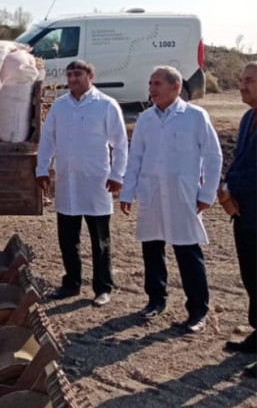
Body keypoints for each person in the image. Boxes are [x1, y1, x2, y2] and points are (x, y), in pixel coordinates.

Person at [120, 66, 223, 334]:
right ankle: (155, 299)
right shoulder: (145, 119)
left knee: (188, 253)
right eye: (150, 83)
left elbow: (213, 157)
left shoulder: (195, 116)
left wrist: (206, 194)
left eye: (157, 83)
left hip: (183, 196)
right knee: (152, 250)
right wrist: (127, 191)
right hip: (152, 194)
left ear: (175, 87)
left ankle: (197, 310)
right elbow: (136, 158)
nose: (152, 88)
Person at [36, 60, 128, 307]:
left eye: (78, 74)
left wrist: (117, 175)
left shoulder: (106, 105)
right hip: (68, 181)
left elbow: (120, 144)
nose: (73, 79)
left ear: (91, 75)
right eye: (69, 75)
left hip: (97, 181)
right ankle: (71, 283)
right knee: (67, 238)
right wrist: (42, 168)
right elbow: (47, 140)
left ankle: (103, 287)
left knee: (99, 240)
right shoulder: (60, 106)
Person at [219, 62, 257, 364]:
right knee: (251, 275)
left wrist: (230, 185)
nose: (242, 86)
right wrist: (226, 191)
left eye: (250, 80)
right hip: (245, 213)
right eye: (241, 79)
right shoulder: (247, 119)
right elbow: (239, 159)